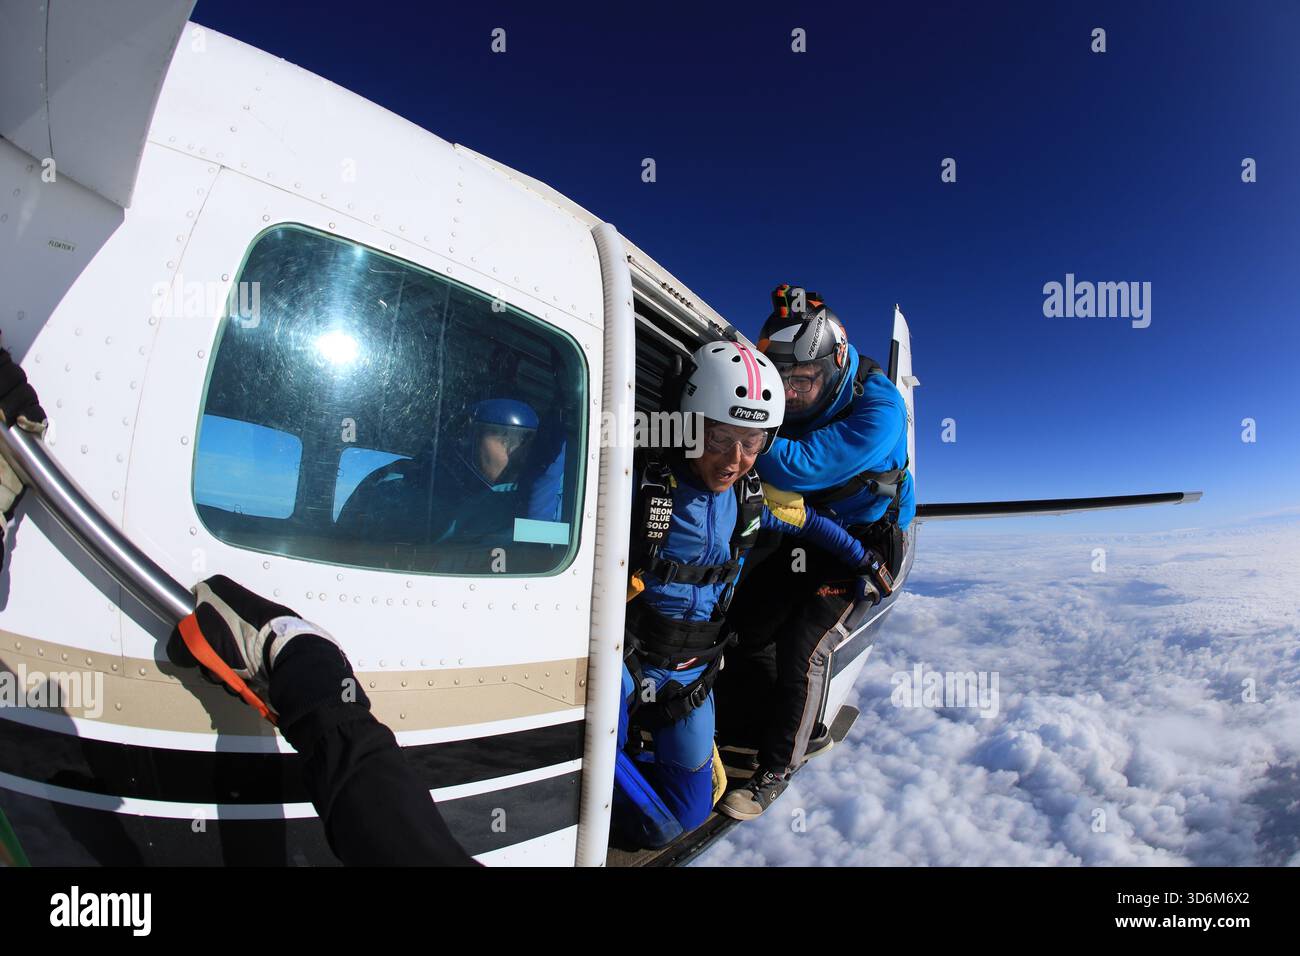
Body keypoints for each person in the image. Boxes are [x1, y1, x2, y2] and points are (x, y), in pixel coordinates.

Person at [614, 338, 881, 847]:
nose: (735, 459)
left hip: (692, 674)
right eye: (720, 438)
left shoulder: (751, 495)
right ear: (690, 425)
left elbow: (813, 525)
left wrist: (867, 560)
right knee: (607, 774)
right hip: (627, 660)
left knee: (686, 815)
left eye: (753, 441)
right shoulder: (645, 485)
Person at [715, 285, 914, 821]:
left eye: (804, 382)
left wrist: (730, 423)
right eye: (781, 383)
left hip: (867, 547)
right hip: (812, 533)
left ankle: (776, 769)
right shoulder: (803, 391)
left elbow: (799, 467)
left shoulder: (881, 409)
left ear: (839, 361)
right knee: (749, 621)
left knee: (806, 646)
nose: (792, 396)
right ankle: (753, 724)